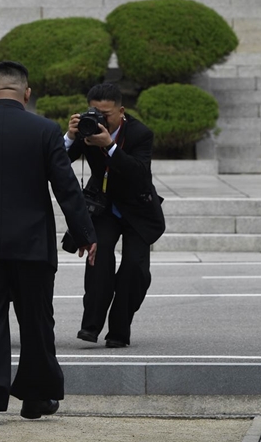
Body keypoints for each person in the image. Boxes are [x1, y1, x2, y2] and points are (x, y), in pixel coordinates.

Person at [0, 61, 97, 427]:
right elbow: (66, 187)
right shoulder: (44, 130)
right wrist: (87, 235)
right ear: (27, 94)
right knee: (37, 322)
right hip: (31, 245)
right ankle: (36, 397)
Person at [64, 83, 165, 348]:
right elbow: (58, 162)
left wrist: (110, 147)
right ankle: (90, 327)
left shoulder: (141, 133)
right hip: (104, 207)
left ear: (121, 111)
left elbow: (139, 174)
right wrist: (69, 137)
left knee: (134, 269)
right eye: (95, 112)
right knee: (99, 259)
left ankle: (119, 330)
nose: (101, 120)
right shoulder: (86, 130)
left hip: (138, 209)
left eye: (106, 114)